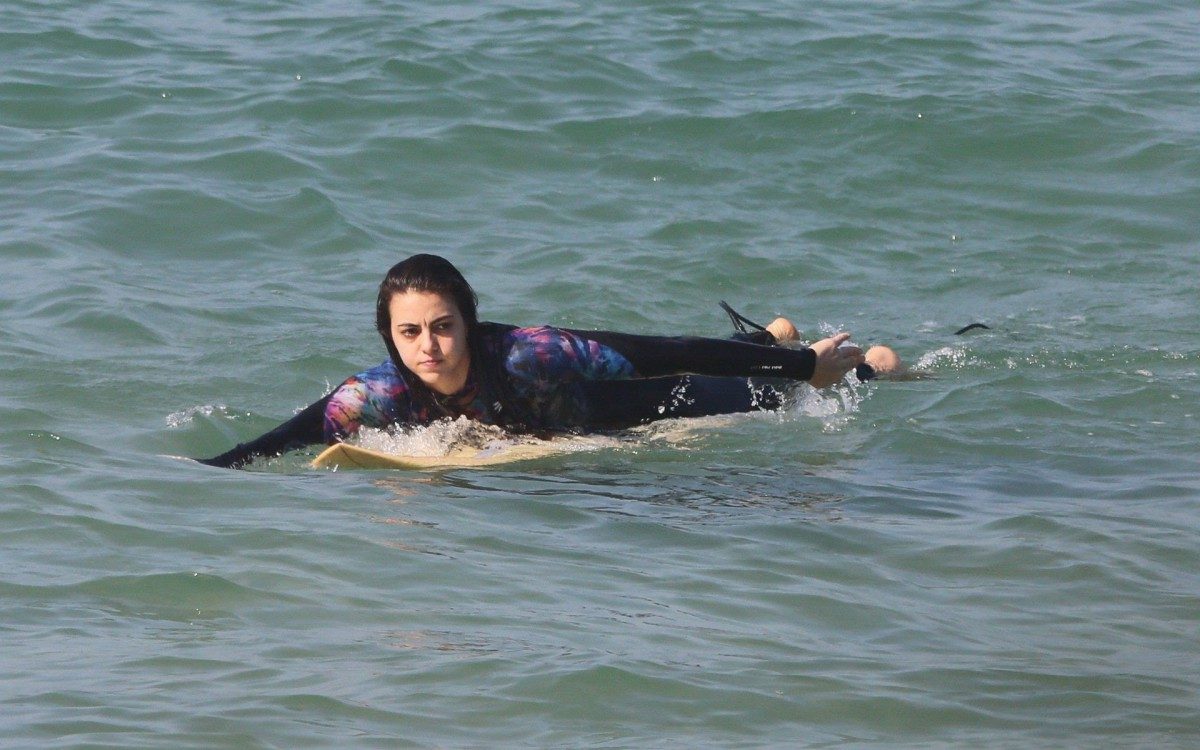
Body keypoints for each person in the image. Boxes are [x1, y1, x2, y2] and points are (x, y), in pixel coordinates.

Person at [198, 254, 889, 469]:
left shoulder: (534, 355)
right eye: (409, 333)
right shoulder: (371, 397)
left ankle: (869, 365)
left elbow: (661, 354)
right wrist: (211, 473)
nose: (428, 347)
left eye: (443, 327)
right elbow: (286, 439)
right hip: (559, 428)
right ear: (389, 338)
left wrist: (805, 370)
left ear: (469, 323)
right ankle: (765, 337)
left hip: (648, 404)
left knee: (775, 393)